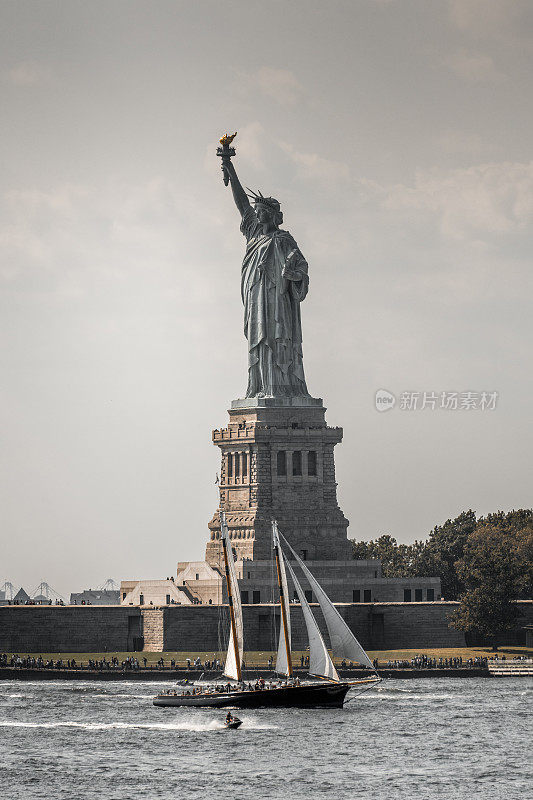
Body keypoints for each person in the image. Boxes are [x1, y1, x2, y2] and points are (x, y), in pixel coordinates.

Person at [221, 154, 310, 398]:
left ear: (270, 215)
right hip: (256, 301)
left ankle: (279, 388)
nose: (256, 216)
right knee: (258, 342)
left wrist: (293, 273)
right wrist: (230, 168)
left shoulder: (283, 240)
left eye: (260, 212)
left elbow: (301, 267)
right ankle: (258, 386)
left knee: (277, 341)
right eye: (256, 212)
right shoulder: (254, 235)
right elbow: (242, 206)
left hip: (278, 304)